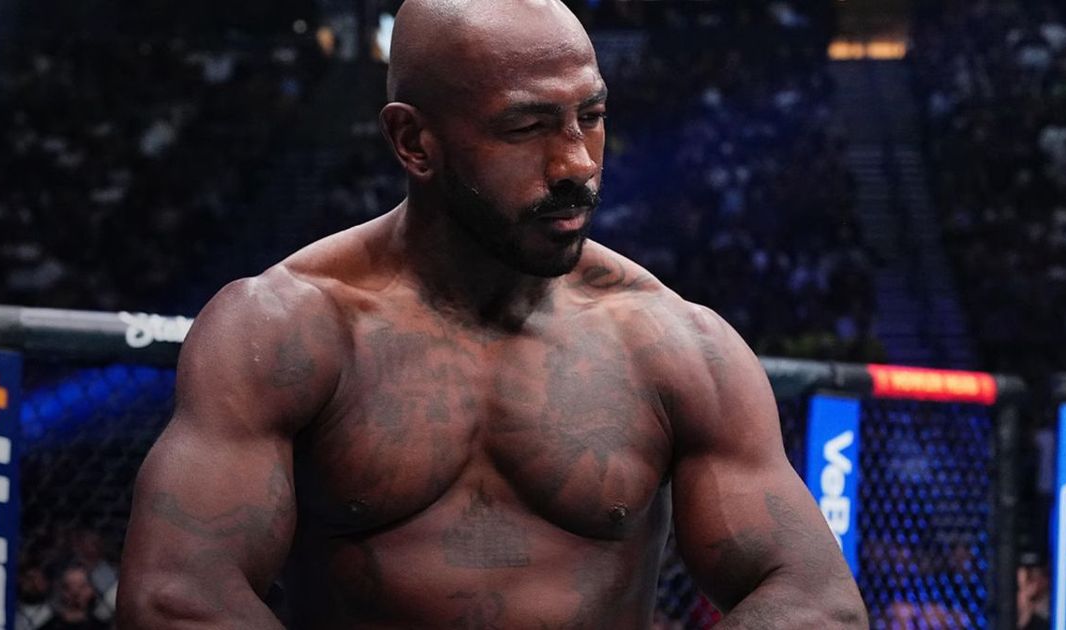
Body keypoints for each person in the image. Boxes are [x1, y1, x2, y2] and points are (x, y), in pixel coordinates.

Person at [117, 0, 868, 627]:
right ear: (414, 142)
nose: (577, 163)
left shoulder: (674, 343)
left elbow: (816, 603)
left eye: (591, 116)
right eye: (526, 127)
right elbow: (176, 601)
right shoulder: (288, 329)